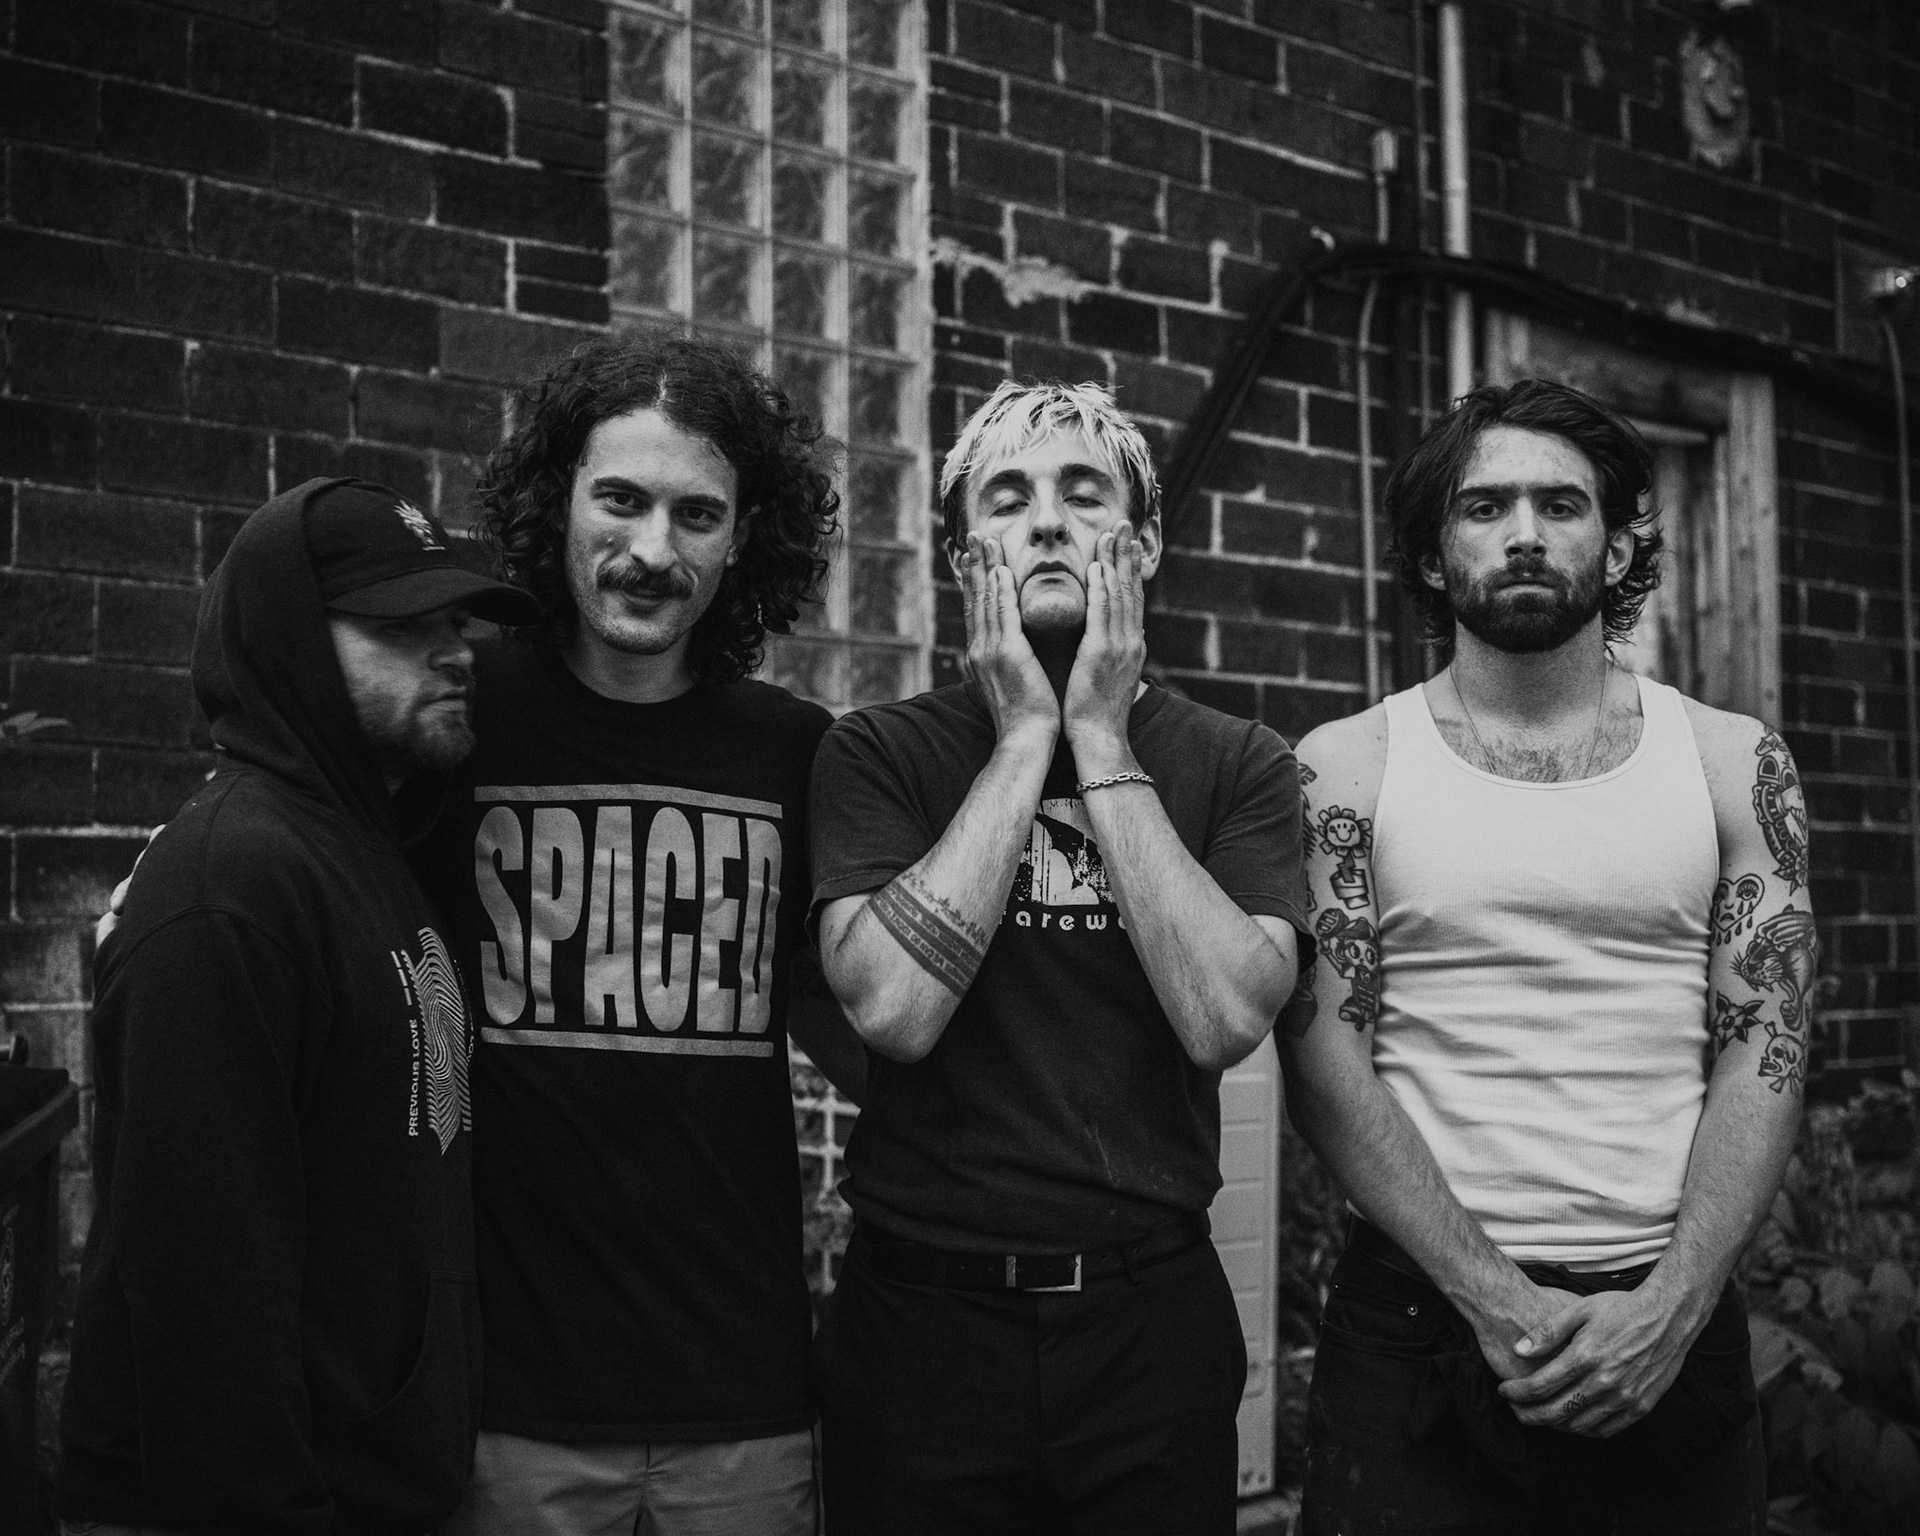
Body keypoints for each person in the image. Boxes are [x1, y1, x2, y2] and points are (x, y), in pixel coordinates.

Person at [1283, 379, 1812, 1534]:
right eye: (1486, 507)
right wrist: (1492, 1297)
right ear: (1434, 556)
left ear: (1617, 547)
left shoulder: (1732, 764)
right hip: (1421, 1321)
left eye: (1561, 504)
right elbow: (1323, 1065)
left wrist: (1675, 1304)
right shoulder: (1348, 768)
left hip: (1668, 1320)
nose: (1524, 532)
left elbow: (1766, 1047)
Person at [806, 379, 1311, 1533]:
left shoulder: (1240, 762)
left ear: (1145, 545)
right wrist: (1026, 738)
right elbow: (892, 1009)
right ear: (961, 557)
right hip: (924, 1326)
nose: (1045, 522)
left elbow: (1225, 1018)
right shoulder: (877, 752)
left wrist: (1098, 732)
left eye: (1084, 495)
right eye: (1008, 499)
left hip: (1147, 1323)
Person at [417, 332, 856, 1536]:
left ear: (744, 535)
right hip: (512, 1401)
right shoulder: (462, 717)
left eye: (696, 514)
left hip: (745, 1400)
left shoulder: (793, 750)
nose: (653, 550)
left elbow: (858, 1023)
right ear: (558, 499)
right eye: (620, 499)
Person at [57, 479, 540, 1535]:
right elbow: (202, 1292)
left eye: (457, 622)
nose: (457, 652)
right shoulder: (231, 890)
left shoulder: (361, 851)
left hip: (362, 1489)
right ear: (291, 649)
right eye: (403, 626)